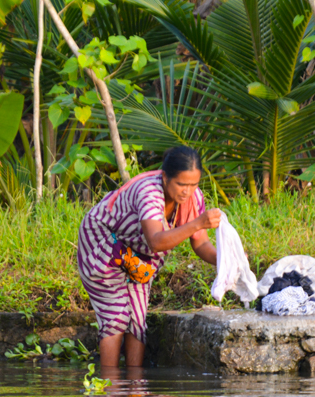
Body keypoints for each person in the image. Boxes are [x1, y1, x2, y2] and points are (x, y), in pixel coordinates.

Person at [77, 146, 221, 367]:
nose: (188, 191)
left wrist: (226, 260)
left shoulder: (193, 198)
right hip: (104, 242)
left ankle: (135, 389)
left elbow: (200, 242)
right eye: (181, 184)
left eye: (194, 184)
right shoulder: (148, 191)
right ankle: (110, 388)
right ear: (164, 177)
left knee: (137, 318)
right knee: (116, 317)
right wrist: (197, 222)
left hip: (137, 253)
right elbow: (156, 241)